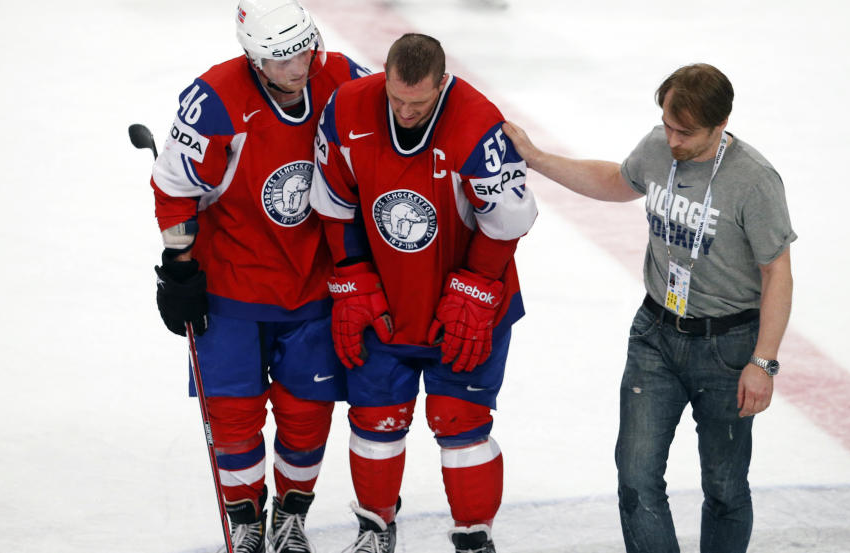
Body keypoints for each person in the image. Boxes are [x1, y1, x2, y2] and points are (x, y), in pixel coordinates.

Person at [502, 63, 795, 553]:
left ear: (720, 125)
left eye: (685, 132)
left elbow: (777, 272)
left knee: (724, 489)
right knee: (636, 478)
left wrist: (762, 362)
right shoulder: (659, 147)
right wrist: (535, 157)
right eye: (667, 125)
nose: (672, 139)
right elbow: (617, 180)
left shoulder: (754, 180)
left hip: (728, 347)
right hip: (655, 335)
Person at [148, 1, 369, 552]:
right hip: (230, 288)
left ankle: (292, 515)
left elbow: (397, 122)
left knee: (307, 413)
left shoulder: (341, 77)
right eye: (281, 58)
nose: (298, 67)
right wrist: (178, 267)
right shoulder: (215, 99)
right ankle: (247, 517)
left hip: (314, 286)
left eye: (303, 50)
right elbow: (175, 186)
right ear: (254, 57)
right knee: (232, 415)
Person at [309, 33, 537, 553]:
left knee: (461, 422)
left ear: (442, 82)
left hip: (465, 308)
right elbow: (334, 202)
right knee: (374, 417)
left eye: (419, 101)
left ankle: (475, 538)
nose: (405, 111)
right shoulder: (345, 109)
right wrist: (353, 274)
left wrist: (476, 287)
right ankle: (374, 529)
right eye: (396, 98)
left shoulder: (479, 124)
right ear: (384, 76)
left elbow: (507, 222)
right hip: (384, 300)